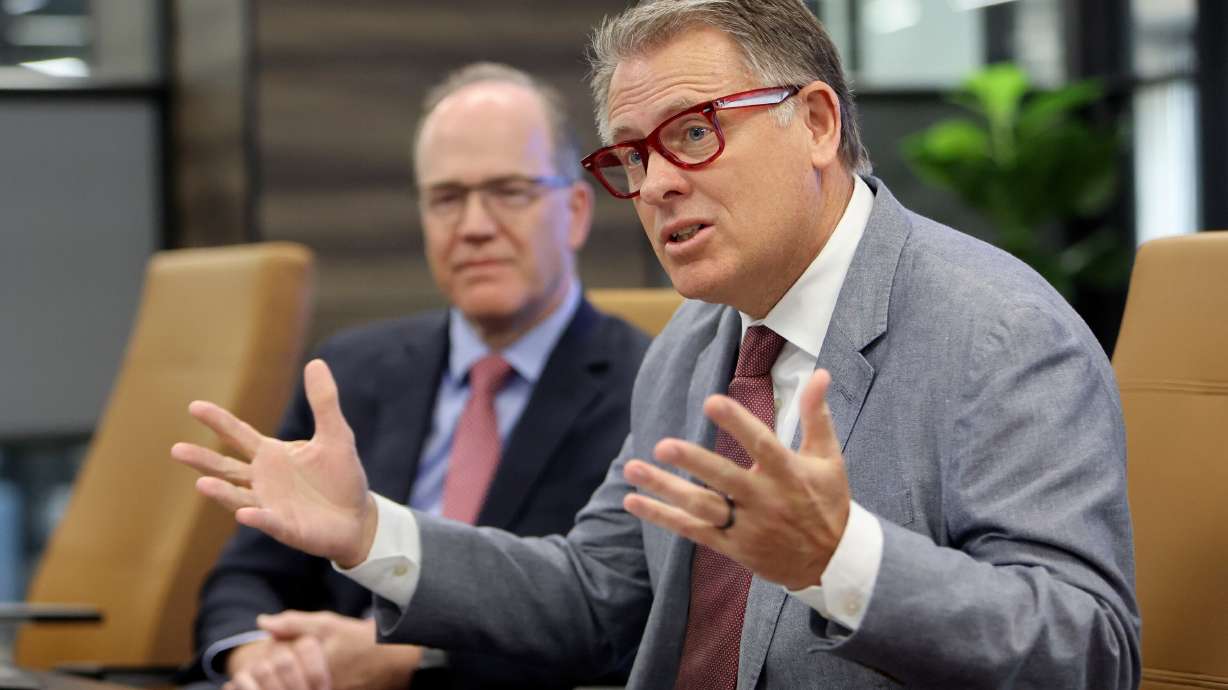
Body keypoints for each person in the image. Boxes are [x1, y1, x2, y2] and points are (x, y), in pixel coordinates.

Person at [175, 1, 1141, 687]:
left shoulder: (1001, 333)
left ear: (815, 122)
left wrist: (842, 560)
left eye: (692, 133)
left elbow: (1089, 652)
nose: (657, 184)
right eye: (632, 157)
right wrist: (368, 533)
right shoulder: (694, 342)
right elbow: (597, 597)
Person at [187, 62, 650, 690]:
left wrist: (408, 659)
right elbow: (249, 574)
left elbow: (625, 623)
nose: (475, 226)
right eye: (447, 198)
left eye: (510, 191)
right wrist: (258, 658)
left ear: (574, 212)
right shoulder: (347, 374)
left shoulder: (646, 389)